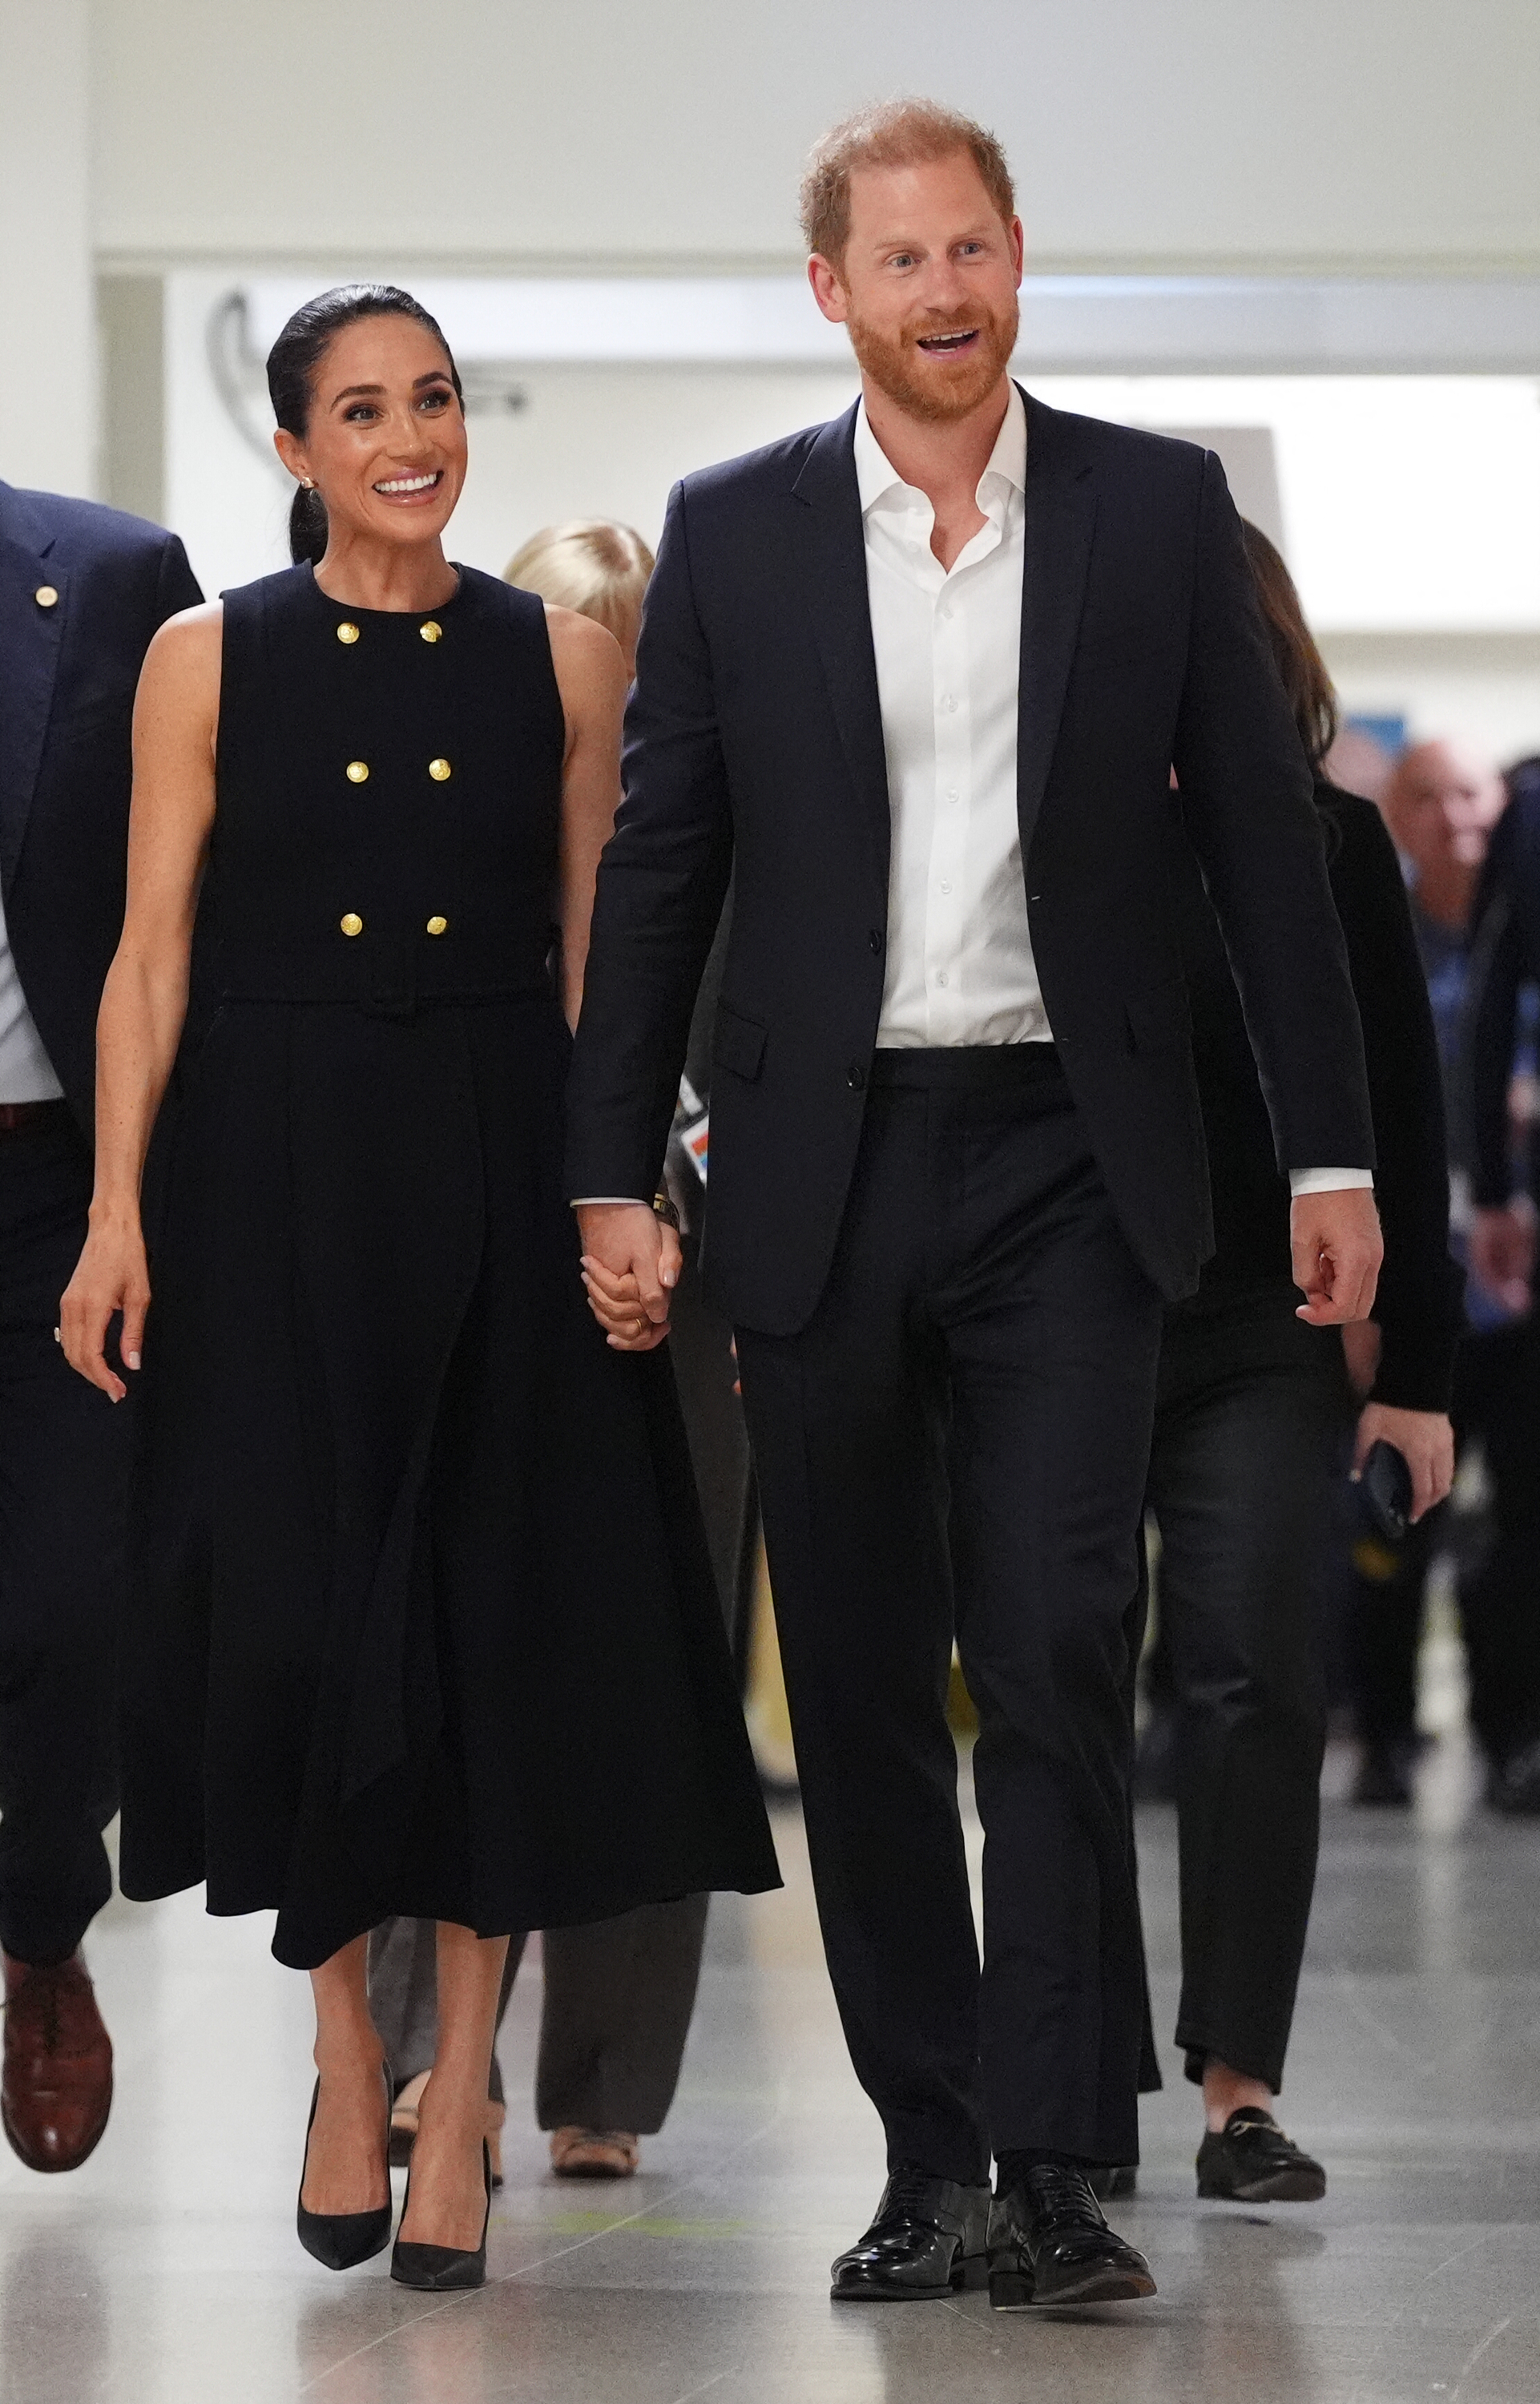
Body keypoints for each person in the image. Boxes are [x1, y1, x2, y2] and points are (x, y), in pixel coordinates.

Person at [564, 101, 1381, 2313]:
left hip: (1063, 1166)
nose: (946, 293)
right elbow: (663, 869)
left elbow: (1269, 873)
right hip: (817, 1162)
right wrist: (602, 1167)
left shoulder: (1153, 509)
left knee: (1043, 1653)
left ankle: (1052, 2158)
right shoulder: (732, 535)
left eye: (976, 250)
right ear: (828, 289)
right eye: (900, 260)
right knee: (847, 1680)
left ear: (1023, 258)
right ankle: (925, 2160)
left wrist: (1331, 1154)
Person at [59, 285, 777, 2290]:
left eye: (436, 396)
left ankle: (460, 2088)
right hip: (270, 1179)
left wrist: (611, 1199)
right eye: (361, 407)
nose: (410, 433)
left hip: (494, 1153)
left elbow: (594, 961)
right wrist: (119, 1217)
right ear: (290, 446)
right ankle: (342, 2043)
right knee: (291, 1623)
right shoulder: (207, 658)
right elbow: (148, 959)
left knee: (491, 1636)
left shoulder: (563, 655)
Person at [370, 518, 742, 2187]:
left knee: (658, 1664)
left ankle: (606, 2083)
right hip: (480, 1278)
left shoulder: (733, 853)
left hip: (700, 1295)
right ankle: (424, 2057)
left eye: (622, 652)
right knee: (440, 1660)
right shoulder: (446, 857)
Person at [1138, 526, 1459, 2204]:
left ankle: (1237, 2086)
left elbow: (1403, 1106)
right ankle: (1060, 2079)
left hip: (1266, 1329)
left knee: (1257, 1676)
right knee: (1040, 1689)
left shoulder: (1333, 844)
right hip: (1057, 1308)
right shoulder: (1058, 835)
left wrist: (1414, 1374)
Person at [0, 477, 200, 2173]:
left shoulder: (112, 577)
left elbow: (196, 886)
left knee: (73, 1607)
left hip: (61, 1188)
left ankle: (42, 1922)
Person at [1348, 743, 1540, 1809]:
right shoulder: (1374, 938)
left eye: (1469, 794)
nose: (1453, 817)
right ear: (1398, 818)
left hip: (1521, 1295)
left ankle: (1512, 1735)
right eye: (1424, 797)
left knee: (1520, 1529)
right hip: (1411, 1288)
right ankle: (1381, 1736)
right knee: (1387, 1523)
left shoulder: (1526, 926)